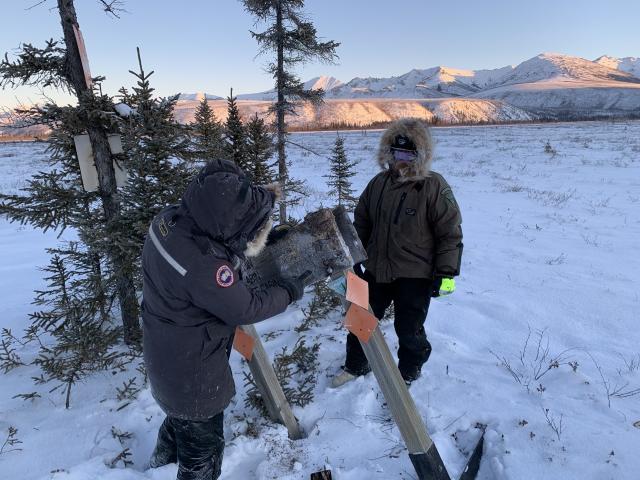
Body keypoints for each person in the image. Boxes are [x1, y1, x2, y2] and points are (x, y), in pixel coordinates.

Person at [142, 159, 304, 479]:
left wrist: (258, 243)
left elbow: (217, 247)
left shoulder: (171, 221)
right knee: (202, 454)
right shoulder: (205, 267)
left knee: (178, 422)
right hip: (194, 378)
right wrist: (288, 291)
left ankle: (156, 466)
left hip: (165, 356)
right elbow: (246, 307)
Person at [331, 118, 463, 387]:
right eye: (395, 152)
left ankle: (410, 369)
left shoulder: (433, 186)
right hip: (377, 269)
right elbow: (362, 223)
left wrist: (446, 273)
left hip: (415, 275)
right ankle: (356, 365)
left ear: (419, 155)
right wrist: (354, 259)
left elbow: (449, 231)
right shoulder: (378, 184)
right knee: (359, 319)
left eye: (406, 154)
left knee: (409, 328)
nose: (399, 160)